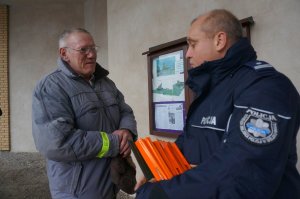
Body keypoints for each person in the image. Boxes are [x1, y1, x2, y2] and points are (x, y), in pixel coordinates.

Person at [136, 9, 300, 199]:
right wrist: (157, 173)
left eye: (193, 44)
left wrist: (161, 193)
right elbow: (190, 143)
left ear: (219, 41)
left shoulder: (265, 86)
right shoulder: (210, 90)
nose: (187, 54)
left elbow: (242, 172)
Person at [32, 28, 137, 199]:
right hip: (77, 191)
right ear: (64, 53)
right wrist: (115, 143)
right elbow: (57, 143)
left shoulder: (106, 83)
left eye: (93, 48)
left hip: (109, 185)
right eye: (83, 49)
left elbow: (125, 111)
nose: (91, 55)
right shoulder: (51, 87)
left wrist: (127, 131)